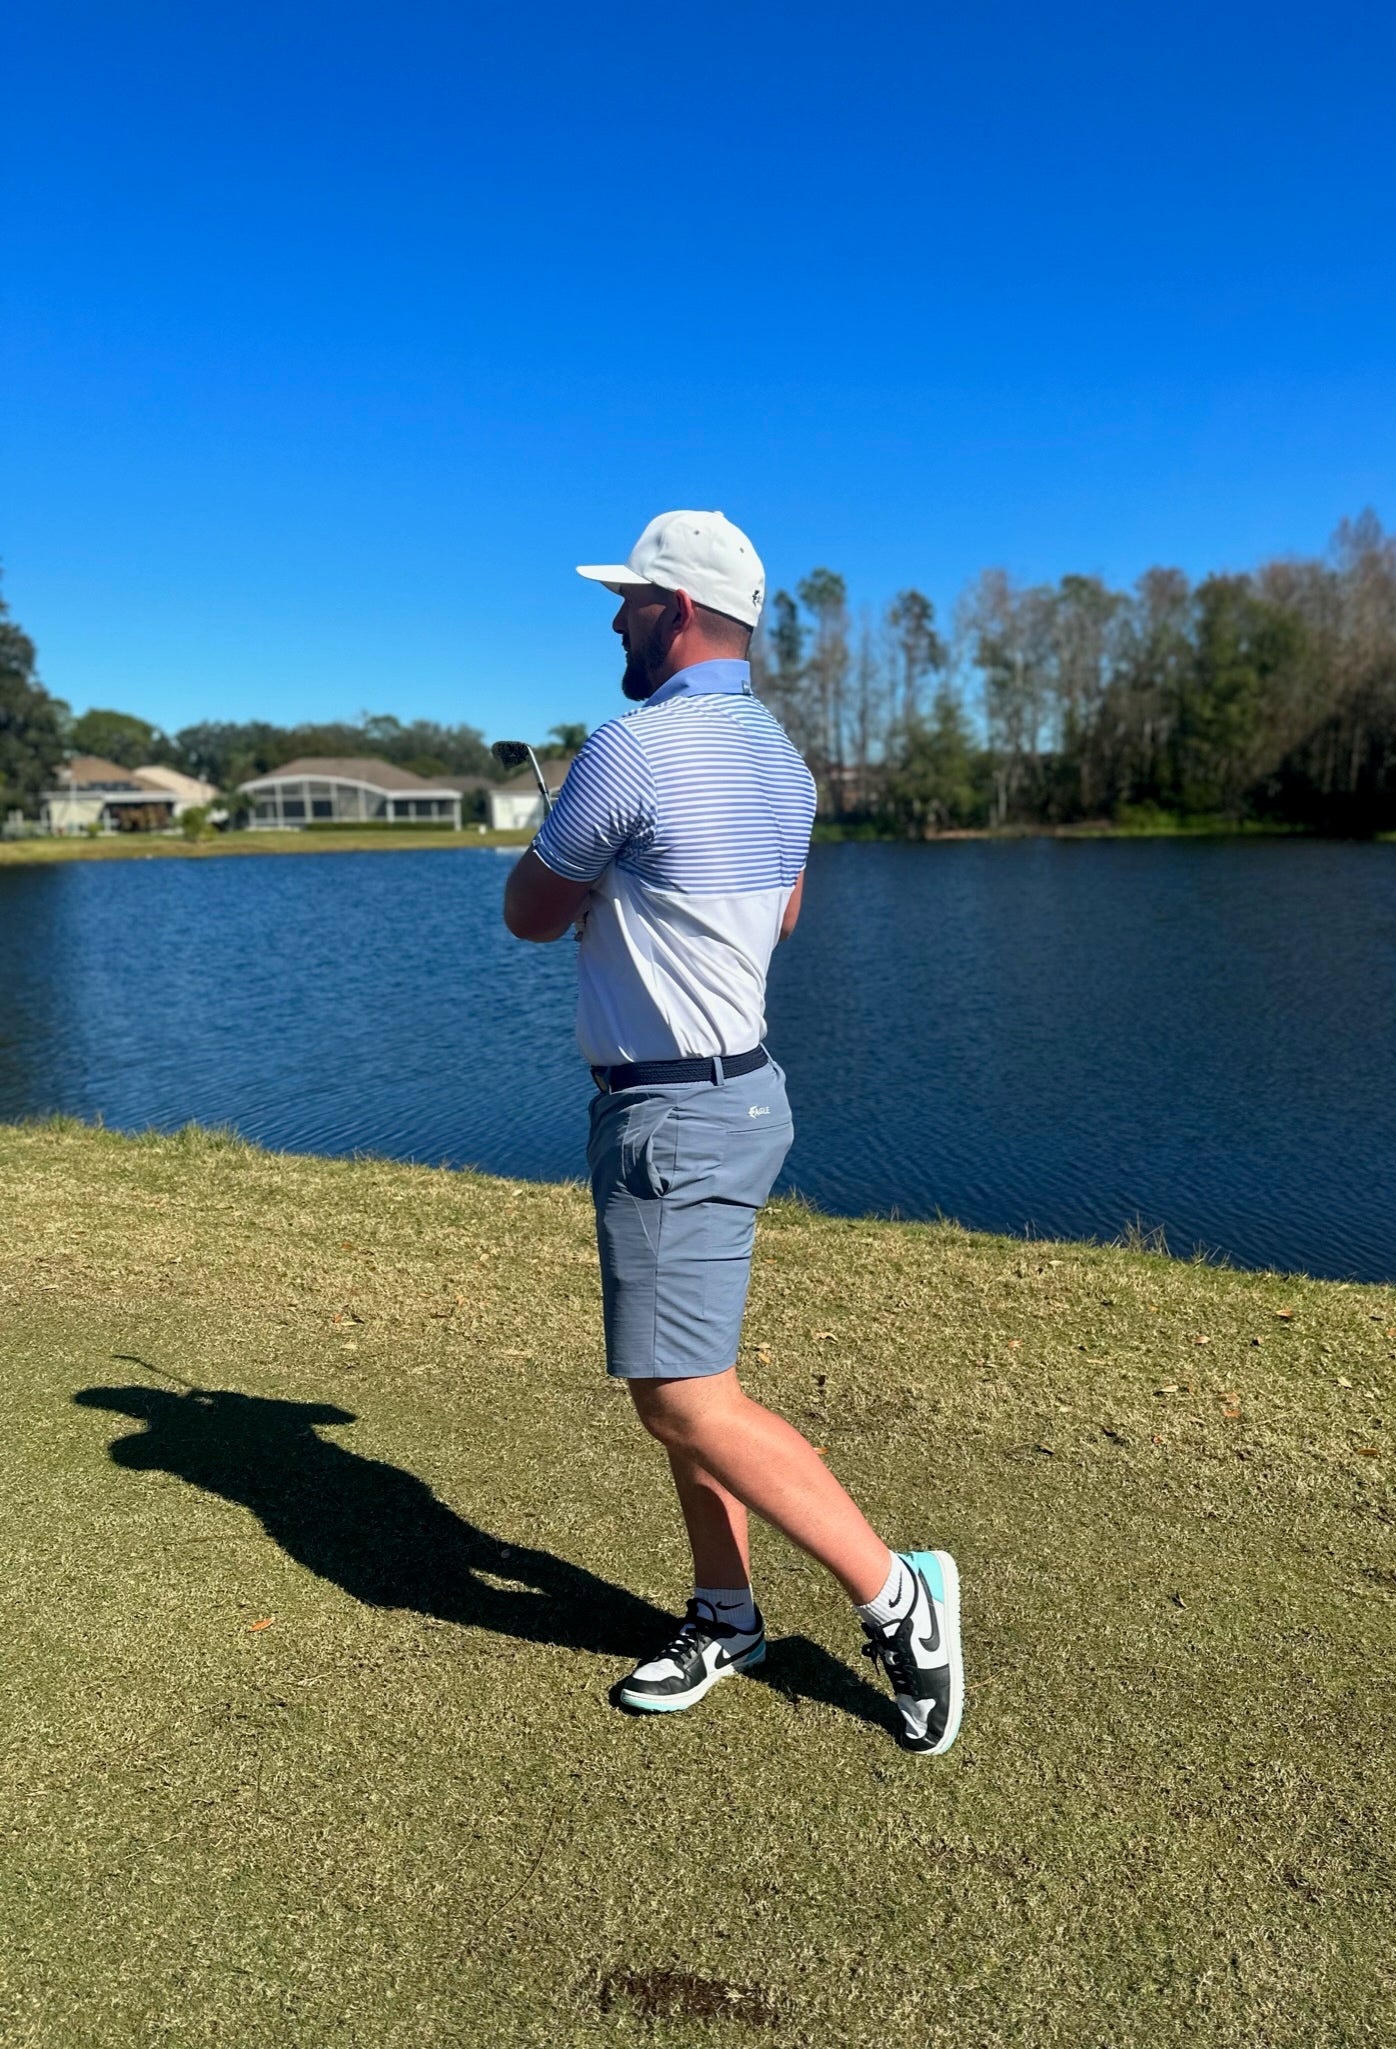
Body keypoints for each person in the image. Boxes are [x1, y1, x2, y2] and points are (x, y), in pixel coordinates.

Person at [502, 510, 962, 1756]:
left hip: (673, 1116)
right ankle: (726, 1610)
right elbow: (784, 918)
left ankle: (897, 1594)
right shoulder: (786, 765)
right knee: (691, 1378)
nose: (616, 619)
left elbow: (528, 915)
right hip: (744, 1095)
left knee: (682, 1396)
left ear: (681, 612)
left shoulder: (626, 751)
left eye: (632, 600)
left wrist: (587, 872)